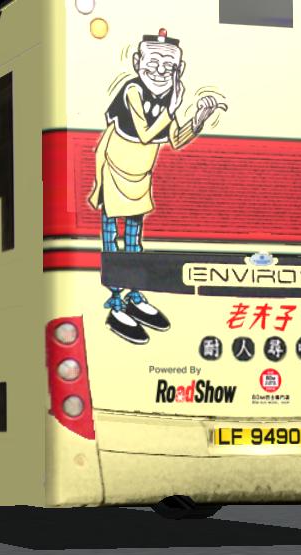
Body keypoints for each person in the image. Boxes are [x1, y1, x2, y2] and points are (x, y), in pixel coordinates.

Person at [89, 28, 227, 344]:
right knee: (112, 240)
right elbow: (145, 133)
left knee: (134, 240)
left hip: (140, 177)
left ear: (179, 68)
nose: (161, 70)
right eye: (153, 62)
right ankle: (116, 301)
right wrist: (172, 108)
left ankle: (135, 295)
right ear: (138, 62)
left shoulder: (167, 100)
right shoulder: (132, 90)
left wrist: (199, 118)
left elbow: (175, 140)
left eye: (169, 65)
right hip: (114, 172)